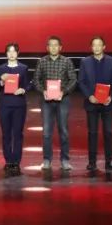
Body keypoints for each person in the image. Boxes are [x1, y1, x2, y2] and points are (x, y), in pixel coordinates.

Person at [33, 35, 77, 171]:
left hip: (63, 100)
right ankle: (47, 159)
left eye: (55, 45)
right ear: (47, 48)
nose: (53, 47)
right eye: (50, 45)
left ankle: (65, 160)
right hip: (46, 100)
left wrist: (64, 91)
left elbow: (73, 79)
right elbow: (36, 80)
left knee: (63, 130)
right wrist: (43, 91)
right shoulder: (42, 62)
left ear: (60, 47)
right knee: (46, 132)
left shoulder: (67, 61)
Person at [78, 36, 112, 172]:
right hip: (92, 103)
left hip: (107, 103)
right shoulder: (85, 62)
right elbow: (81, 81)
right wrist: (89, 96)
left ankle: (109, 161)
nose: (96, 47)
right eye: (94, 45)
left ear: (104, 47)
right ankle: (92, 162)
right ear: (91, 47)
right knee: (92, 133)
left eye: (99, 45)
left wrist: (111, 96)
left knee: (108, 132)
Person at [0, 43, 29, 171]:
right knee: (6, 133)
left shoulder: (23, 68)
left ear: (18, 53)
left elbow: (27, 84)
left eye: (14, 51)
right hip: (4, 104)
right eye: (9, 51)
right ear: (6, 53)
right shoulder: (1, 68)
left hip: (19, 104)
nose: (12, 54)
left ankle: (16, 160)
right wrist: (2, 80)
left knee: (18, 133)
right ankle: (8, 160)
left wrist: (23, 90)